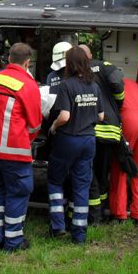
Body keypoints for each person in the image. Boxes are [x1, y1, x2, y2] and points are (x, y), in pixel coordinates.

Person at [0, 43, 42, 252]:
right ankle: (13, 242)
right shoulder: (28, 84)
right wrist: (26, 139)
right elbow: (35, 124)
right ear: (27, 62)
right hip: (14, 150)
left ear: (8, 59)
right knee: (18, 192)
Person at [47, 46, 104, 244]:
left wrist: (53, 126)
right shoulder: (94, 85)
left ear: (69, 64)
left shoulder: (66, 85)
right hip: (89, 140)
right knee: (82, 186)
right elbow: (101, 115)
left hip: (68, 138)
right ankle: (79, 234)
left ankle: (57, 226)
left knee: (55, 181)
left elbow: (64, 116)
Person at [80, 44, 125, 223]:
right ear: (91, 55)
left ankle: (94, 214)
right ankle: (102, 211)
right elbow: (117, 84)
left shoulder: (78, 71)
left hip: (89, 130)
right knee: (102, 173)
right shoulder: (105, 65)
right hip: (110, 130)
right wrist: (118, 104)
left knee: (89, 175)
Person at [109, 78, 138, 225]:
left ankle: (119, 213)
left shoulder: (110, 83)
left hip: (128, 119)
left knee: (121, 164)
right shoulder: (134, 84)